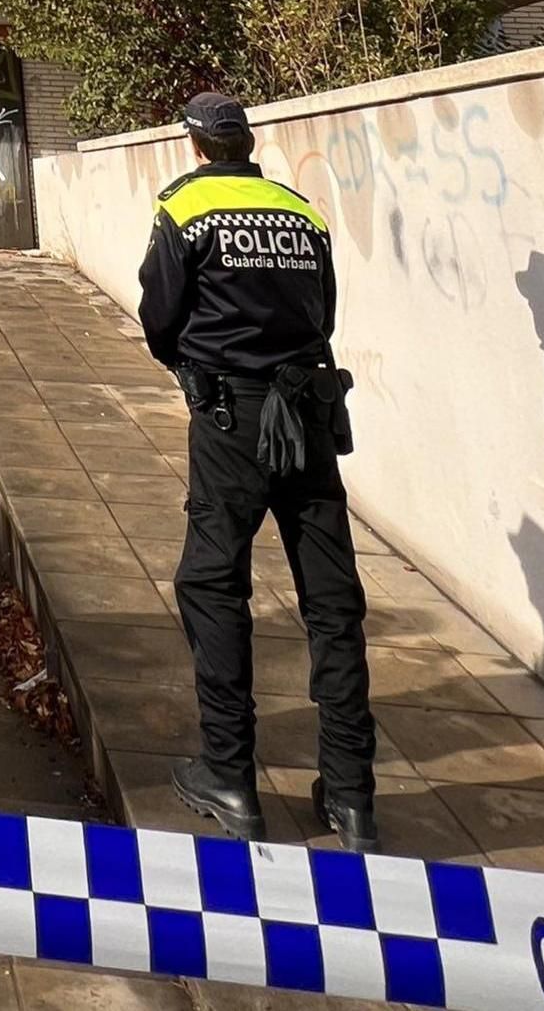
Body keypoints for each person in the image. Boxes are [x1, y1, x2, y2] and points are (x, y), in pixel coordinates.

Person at [138, 91, 377, 853]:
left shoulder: (184, 208)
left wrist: (197, 367)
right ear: (247, 143)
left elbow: (158, 317)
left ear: (198, 146)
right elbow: (325, 313)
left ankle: (230, 777)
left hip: (231, 417)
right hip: (306, 408)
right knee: (332, 601)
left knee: (213, 584)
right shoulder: (300, 210)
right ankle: (351, 795)